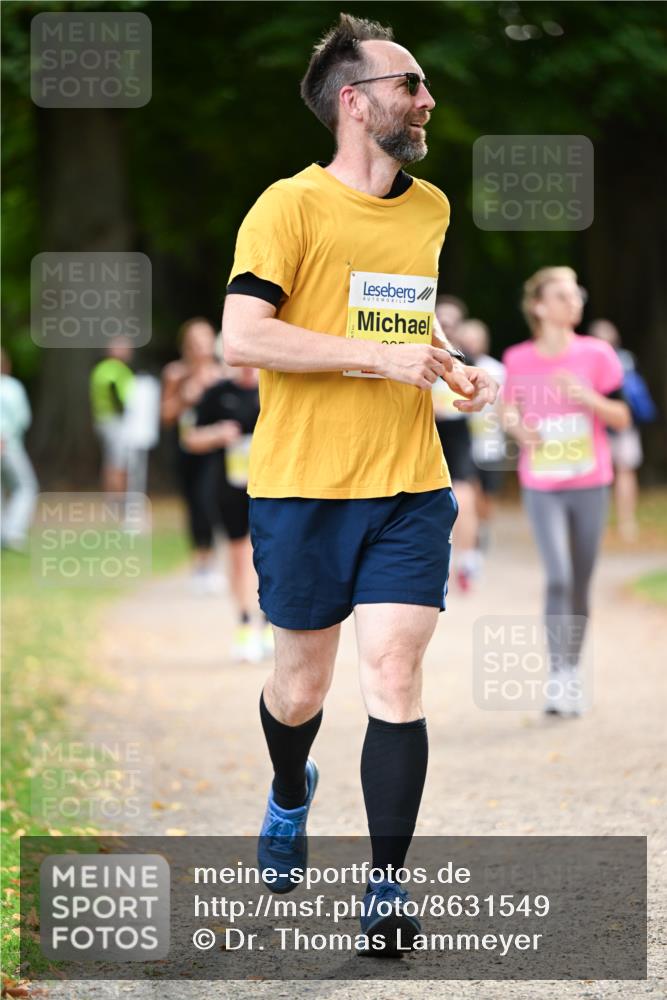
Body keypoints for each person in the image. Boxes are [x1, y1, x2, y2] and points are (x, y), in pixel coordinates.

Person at [221, 13, 497, 956]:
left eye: (422, 85)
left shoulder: (429, 209)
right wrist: (372, 363)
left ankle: (384, 890)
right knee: (299, 690)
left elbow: (400, 328)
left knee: (393, 673)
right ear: (354, 101)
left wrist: (457, 365)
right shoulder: (287, 207)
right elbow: (243, 338)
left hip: (407, 484)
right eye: (408, 83)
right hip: (301, 485)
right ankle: (290, 791)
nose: (426, 97)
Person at [501, 267, 630, 717]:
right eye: (562, 295)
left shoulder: (598, 355)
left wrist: (587, 398)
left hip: (590, 481)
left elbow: (623, 416)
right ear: (539, 305)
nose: (574, 301)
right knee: (556, 575)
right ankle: (558, 677)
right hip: (541, 483)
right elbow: (507, 412)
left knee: (579, 581)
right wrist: (523, 431)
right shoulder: (518, 358)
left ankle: (572, 670)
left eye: (576, 294)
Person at [179, 365, 273, 662]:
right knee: (239, 555)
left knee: (272, 557)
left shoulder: (275, 386)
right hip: (229, 485)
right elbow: (190, 438)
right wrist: (218, 434)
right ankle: (245, 622)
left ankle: (271, 623)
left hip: (273, 485)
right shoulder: (218, 394)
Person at [160, 318, 225, 595]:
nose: (202, 347)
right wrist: (186, 396)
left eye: (206, 340)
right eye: (196, 342)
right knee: (193, 504)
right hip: (186, 449)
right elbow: (166, 416)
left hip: (216, 450)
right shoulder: (176, 373)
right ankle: (200, 562)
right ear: (187, 345)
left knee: (210, 501)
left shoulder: (222, 374)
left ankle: (215, 561)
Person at [432, 296, 480, 591]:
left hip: (456, 435)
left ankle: (467, 560)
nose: (447, 326)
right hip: (425, 434)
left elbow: (472, 396)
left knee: (462, 492)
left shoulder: (465, 360)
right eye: (442, 321)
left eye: (452, 322)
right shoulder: (416, 352)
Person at [589, 319, 647, 542]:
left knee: (603, 476)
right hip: (621, 426)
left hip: (601, 424)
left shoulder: (589, 360)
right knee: (624, 472)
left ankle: (605, 524)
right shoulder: (626, 359)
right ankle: (626, 522)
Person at [457, 318, 507, 555]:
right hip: (464, 444)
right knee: (469, 488)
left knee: (487, 494)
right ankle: (473, 531)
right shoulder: (452, 370)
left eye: (475, 340)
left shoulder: (496, 369)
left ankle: (483, 526)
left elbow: (506, 407)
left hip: (489, 443)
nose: (470, 344)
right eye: (466, 339)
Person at [1, 349, 38, 551]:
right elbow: (22, 419)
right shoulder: (12, 387)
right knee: (26, 487)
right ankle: (14, 533)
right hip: (9, 445)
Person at [89, 337, 135, 493]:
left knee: (112, 460)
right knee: (118, 462)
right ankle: (117, 498)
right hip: (115, 421)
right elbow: (116, 394)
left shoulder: (101, 368)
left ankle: (113, 497)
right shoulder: (114, 370)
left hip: (103, 420)